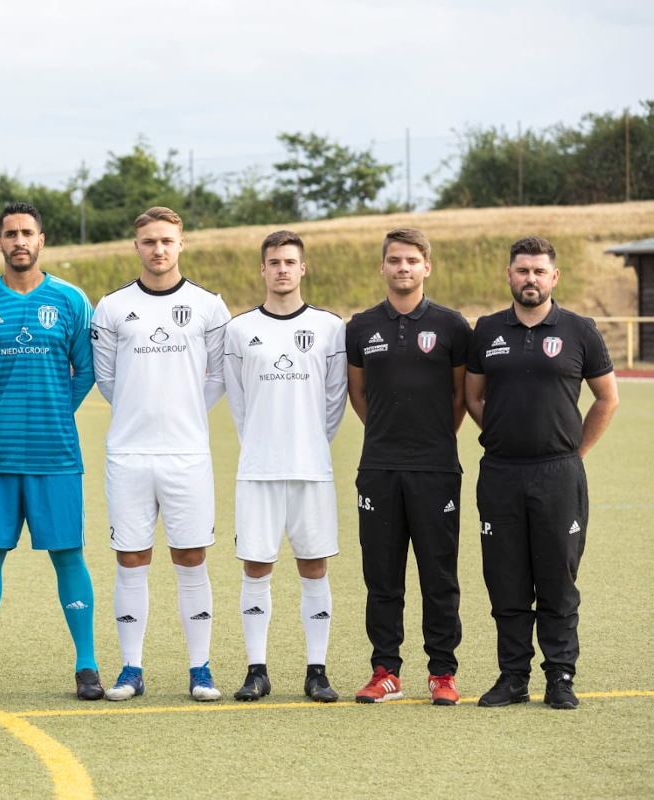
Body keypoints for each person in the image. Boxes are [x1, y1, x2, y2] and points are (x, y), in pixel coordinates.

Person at [0, 202, 101, 700]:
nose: (19, 241)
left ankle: (87, 666)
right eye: (10, 233)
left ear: (41, 240)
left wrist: (56, 410)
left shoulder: (72, 300)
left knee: (69, 555)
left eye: (27, 233)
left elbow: (86, 371)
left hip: (55, 453)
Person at [466, 236, 618, 710]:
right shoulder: (486, 330)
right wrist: (502, 435)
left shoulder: (579, 330)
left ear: (554, 277)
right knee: (506, 579)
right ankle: (513, 677)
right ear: (508, 275)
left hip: (558, 476)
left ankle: (560, 677)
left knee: (557, 579)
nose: (529, 279)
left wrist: (575, 452)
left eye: (538, 271)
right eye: (521, 271)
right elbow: (474, 397)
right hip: (500, 474)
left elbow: (607, 398)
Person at [91, 206, 230, 702]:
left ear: (181, 244)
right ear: (137, 247)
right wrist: (139, 411)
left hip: (186, 454)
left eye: (167, 240)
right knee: (131, 558)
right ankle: (132, 668)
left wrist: (185, 412)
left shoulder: (210, 306)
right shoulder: (111, 307)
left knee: (191, 557)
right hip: (128, 453)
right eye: (149, 241)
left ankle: (200, 669)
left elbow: (218, 377)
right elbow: (107, 379)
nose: (158, 249)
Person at [345, 228, 471, 705]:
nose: (403, 268)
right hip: (378, 467)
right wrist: (385, 434)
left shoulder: (453, 325)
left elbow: (460, 395)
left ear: (426, 267)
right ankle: (385, 671)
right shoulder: (359, 326)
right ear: (382, 267)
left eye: (412, 260)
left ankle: (442, 673)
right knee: (382, 575)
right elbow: (359, 393)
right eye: (394, 260)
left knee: (439, 575)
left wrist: (435, 439)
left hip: (437, 468)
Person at [222, 230, 346, 703]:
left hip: (311, 468)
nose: (282, 270)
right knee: (257, 566)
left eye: (290, 262)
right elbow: (238, 402)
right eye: (273, 262)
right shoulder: (239, 329)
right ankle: (257, 670)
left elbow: (333, 401)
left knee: (314, 567)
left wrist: (310, 442)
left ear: (303, 268)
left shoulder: (330, 327)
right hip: (258, 469)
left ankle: (317, 671)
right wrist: (263, 444)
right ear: (263, 270)